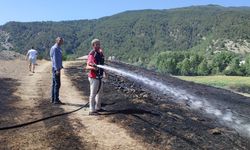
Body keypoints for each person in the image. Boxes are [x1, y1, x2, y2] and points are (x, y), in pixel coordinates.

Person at [86, 39, 107, 115]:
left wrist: (105, 72)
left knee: (100, 93)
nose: (98, 45)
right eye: (97, 44)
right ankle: (91, 110)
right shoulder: (92, 54)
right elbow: (87, 66)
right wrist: (94, 68)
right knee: (93, 93)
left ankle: (98, 107)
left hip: (100, 77)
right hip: (94, 77)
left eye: (99, 44)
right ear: (93, 45)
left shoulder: (100, 53)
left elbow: (102, 64)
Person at [50, 37, 64, 104]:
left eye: (61, 40)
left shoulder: (58, 48)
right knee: (57, 84)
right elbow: (55, 59)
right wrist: (57, 69)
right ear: (56, 41)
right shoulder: (55, 48)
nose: (61, 41)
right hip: (56, 69)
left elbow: (58, 59)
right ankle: (56, 100)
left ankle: (53, 99)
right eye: (60, 40)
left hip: (57, 68)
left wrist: (61, 65)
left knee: (54, 84)